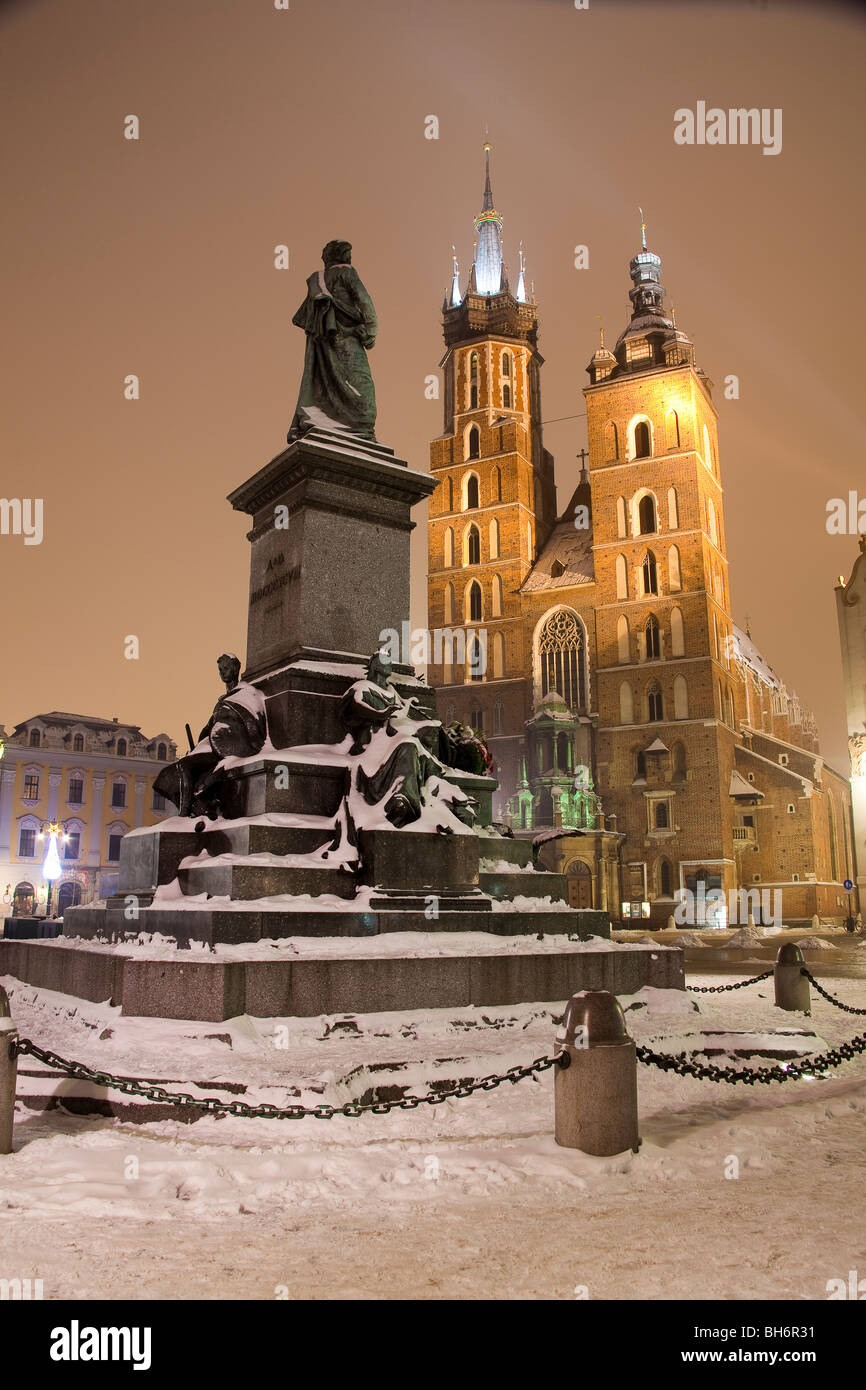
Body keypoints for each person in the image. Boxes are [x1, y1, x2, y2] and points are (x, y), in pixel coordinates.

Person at [153, 654, 267, 818]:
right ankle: (197, 808)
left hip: (228, 749)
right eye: (220, 670)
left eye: (226, 668)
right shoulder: (223, 700)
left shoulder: (247, 693)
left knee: (184, 767)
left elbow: (253, 724)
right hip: (213, 746)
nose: (222, 673)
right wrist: (197, 747)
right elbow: (209, 727)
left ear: (236, 668)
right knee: (170, 773)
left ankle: (186, 813)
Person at [288, 240, 378, 440]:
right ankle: (360, 428)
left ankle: (328, 421)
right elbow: (365, 303)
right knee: (362, 391)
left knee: (323, 386)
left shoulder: (317, 282)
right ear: (344, 256)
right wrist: (369, 331)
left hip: (323, 346)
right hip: (348, 341)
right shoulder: (347, 273)